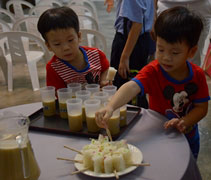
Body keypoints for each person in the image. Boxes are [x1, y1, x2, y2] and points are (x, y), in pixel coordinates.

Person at [95, 6, 210, 159]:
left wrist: (185, 121)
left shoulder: (197, 76)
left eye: (174, 52)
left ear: (191, 52)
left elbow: (202, 108)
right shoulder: (153, 71)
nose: (166, 57)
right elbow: (131, 86)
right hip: (157, 136)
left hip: (187, 139)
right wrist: (110, 106)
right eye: (160, 49)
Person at [37, 7, 110, 91]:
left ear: (78, 37)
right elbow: (60, 94)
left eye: (70, 40)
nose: (66, 48)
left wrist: (104, 80)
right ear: (49, 46)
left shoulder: (96, 55)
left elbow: (106, 69)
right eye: (57, 44)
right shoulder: (54, 68)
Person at [104, 0, 155, 108]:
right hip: (141, 40)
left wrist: (125, 57)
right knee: (138, 82)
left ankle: (128, 115)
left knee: (126, 85)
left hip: (129, 43)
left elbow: (137, 24)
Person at [155, 0, 211, 67]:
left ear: (192, 52)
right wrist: (152, 15)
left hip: (201, 5)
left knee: (194, 61)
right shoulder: (149, 73)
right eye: (161, 50)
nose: (166, 58)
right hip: (167, 5)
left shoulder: (198, 75)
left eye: (175, 53)